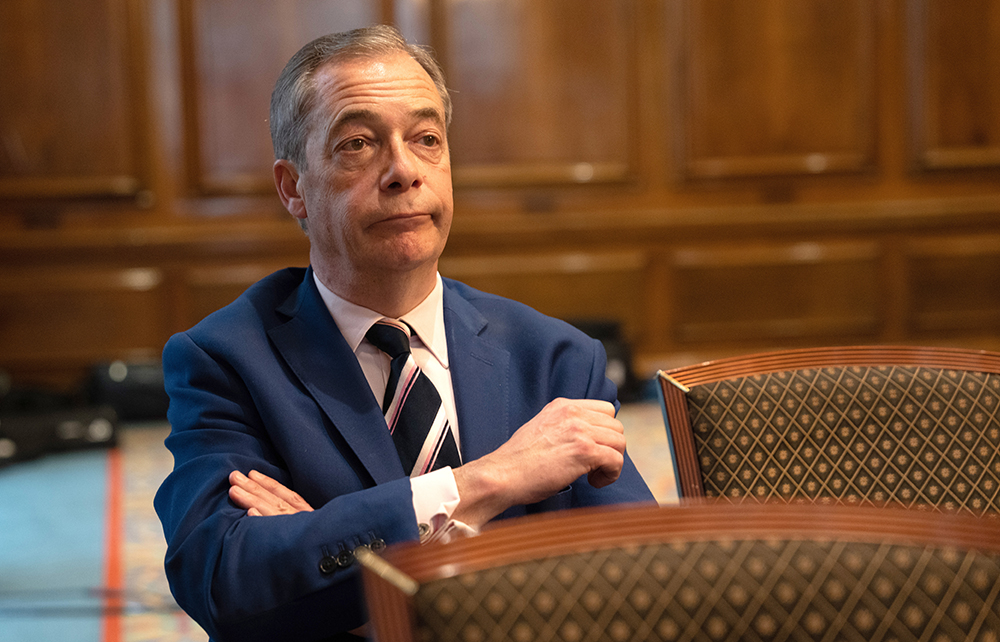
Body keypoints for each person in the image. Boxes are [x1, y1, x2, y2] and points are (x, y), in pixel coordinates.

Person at [154, 24, 654, 642]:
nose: (403, 171)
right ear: (293, 188)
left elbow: (640, 590)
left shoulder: (554, 358)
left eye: (426, 139)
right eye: (358, 144)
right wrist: (487, 482)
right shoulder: (228, 359)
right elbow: (225, 581)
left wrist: (333, 550)